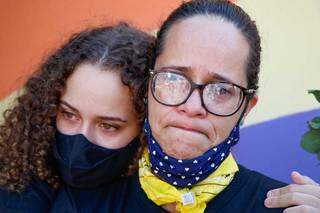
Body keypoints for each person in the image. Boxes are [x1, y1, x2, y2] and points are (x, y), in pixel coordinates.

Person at [50, 0, 320, 212]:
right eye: (174, 79)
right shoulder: (83, 203)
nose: (192, 107)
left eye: (221, 90)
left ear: (246, 108)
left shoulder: (288, 210)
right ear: (149, 87)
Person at [0, 23, 154, 212]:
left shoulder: (162, 198)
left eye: (108, 126)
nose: (81, 138)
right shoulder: (17, 171)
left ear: (145, 128)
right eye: (69, 115)